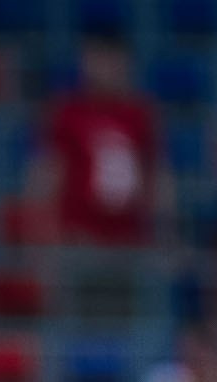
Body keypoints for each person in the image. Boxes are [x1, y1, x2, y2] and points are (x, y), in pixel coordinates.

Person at [39, 38, 162, 248]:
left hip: (128, 237)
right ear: (86, 63)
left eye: (113, 61)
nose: (106, 68)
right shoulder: (69, 112)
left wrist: (160, 227)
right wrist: (47, 229)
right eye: (100, 60)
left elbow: (154, 173)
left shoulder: (139, 114)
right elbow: (51, 171)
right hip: (79, 235)